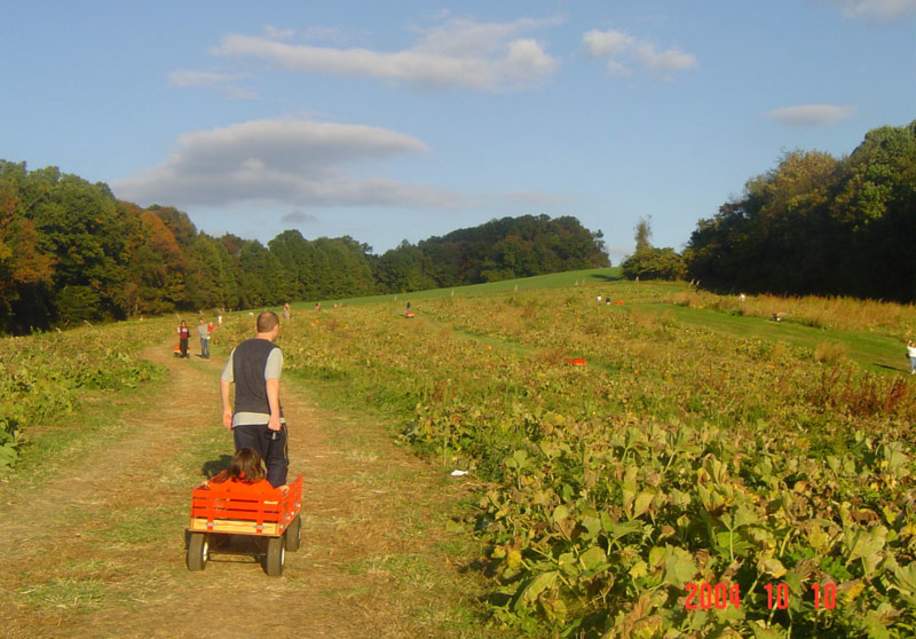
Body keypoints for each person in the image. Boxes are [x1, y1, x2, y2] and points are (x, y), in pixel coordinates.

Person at [221, 311, 288, 487]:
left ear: (256, 327)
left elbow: (225, 379)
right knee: (277, 462)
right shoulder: (273, 351)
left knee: (248, 467)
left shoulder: (238, 349)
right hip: (266, 419)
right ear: (276, 328)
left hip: (242, 420)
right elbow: (271, 382)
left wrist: (227, 410)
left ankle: (247, 507)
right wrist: (274, 414)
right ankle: (271, 505)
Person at [201, 448, 287, 493]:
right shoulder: (261, 485)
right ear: (256, 468)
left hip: (231, 518)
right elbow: (272, 499)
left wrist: (207, 484)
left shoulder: (229, 482)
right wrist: (280, 490)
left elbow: (214, 488)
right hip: (255, 521)